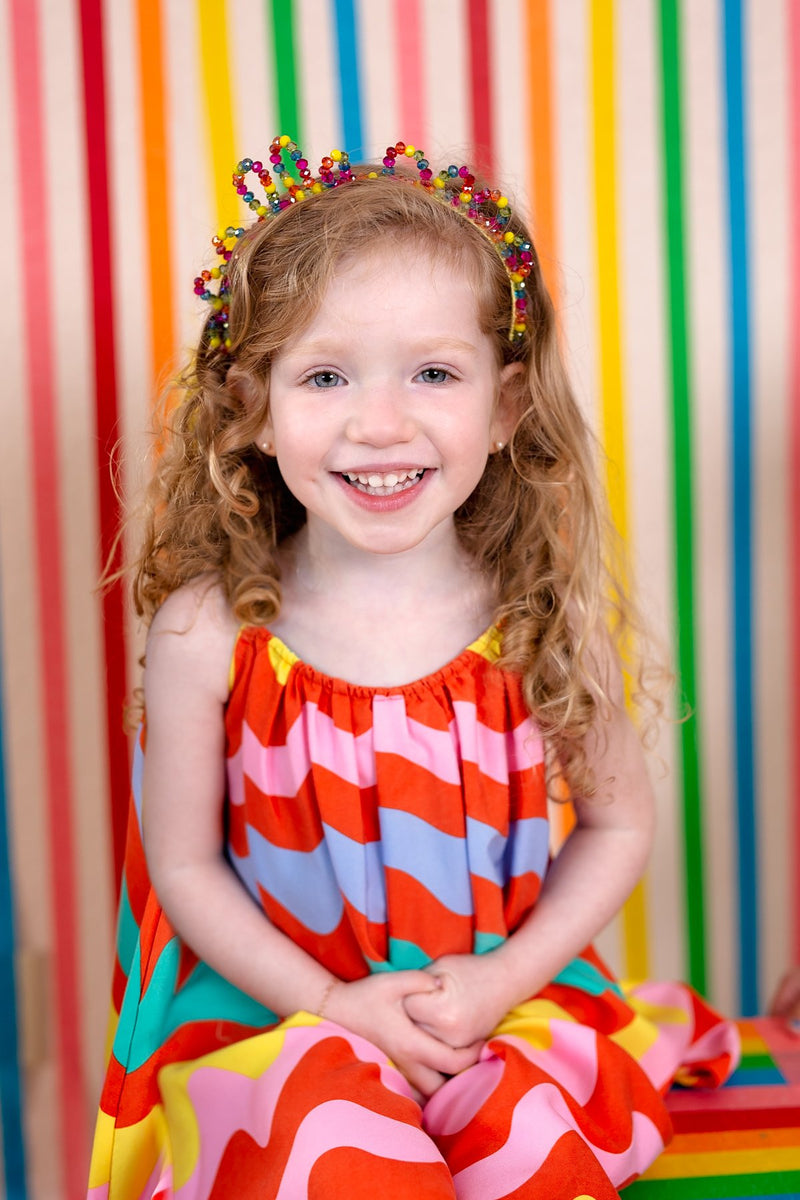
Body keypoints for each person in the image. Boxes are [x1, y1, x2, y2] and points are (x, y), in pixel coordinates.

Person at [88, 136, 739, 1200]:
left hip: (498, 1008)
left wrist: (498, 982)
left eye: (433, 373)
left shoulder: (535, 612)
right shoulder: (209, 633)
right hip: (286, 1016)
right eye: (324, 375)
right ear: (252, 406)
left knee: (521, 1135)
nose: (379, 423)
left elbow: (618, 827)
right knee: (328, 1142)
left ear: (505, 406)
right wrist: (333, 1008)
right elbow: (185, 869)